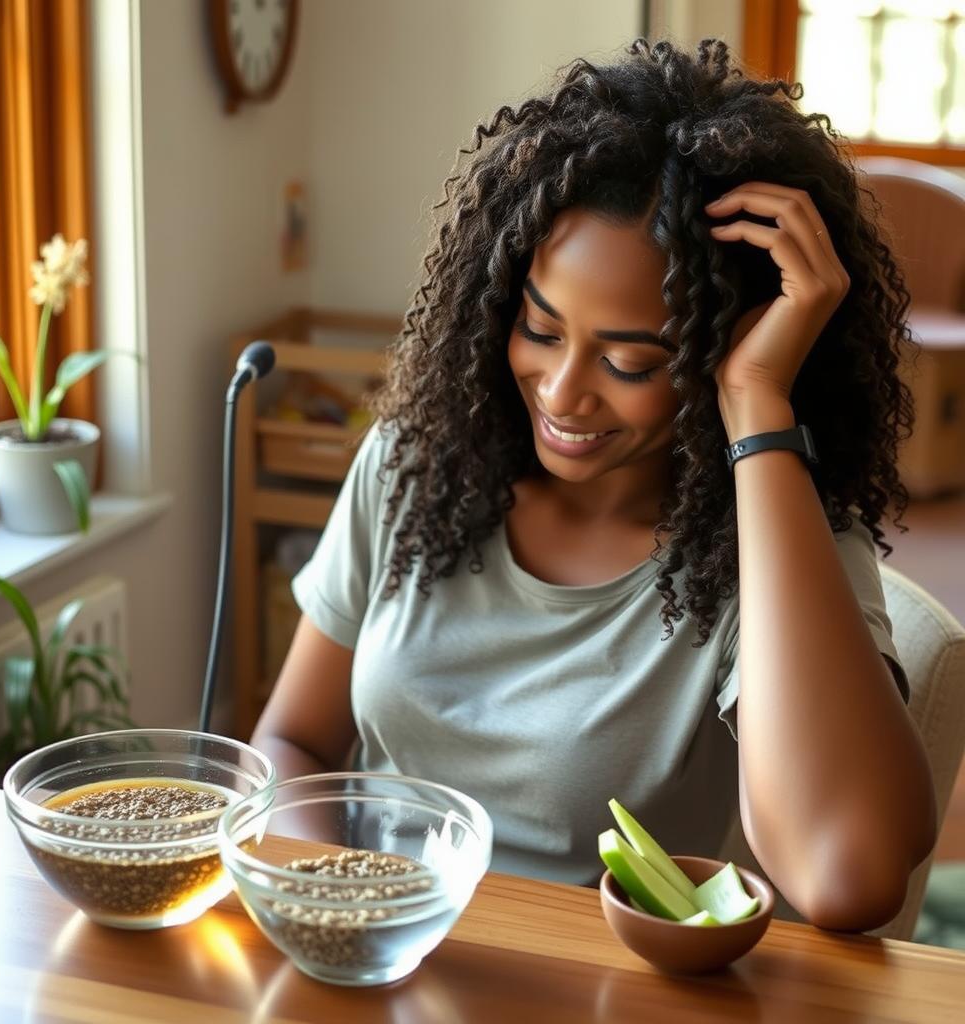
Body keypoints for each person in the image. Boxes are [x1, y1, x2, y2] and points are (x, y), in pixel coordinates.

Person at [251, 37, 936, 932]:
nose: (565, 392)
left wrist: (757, 404)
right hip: (373, 953)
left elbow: (851, 878)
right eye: (541, 328)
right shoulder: (415, 464)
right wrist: (344, 898)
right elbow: (294, 738)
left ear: (718, 354)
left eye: (629, 359)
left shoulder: (770, 546)